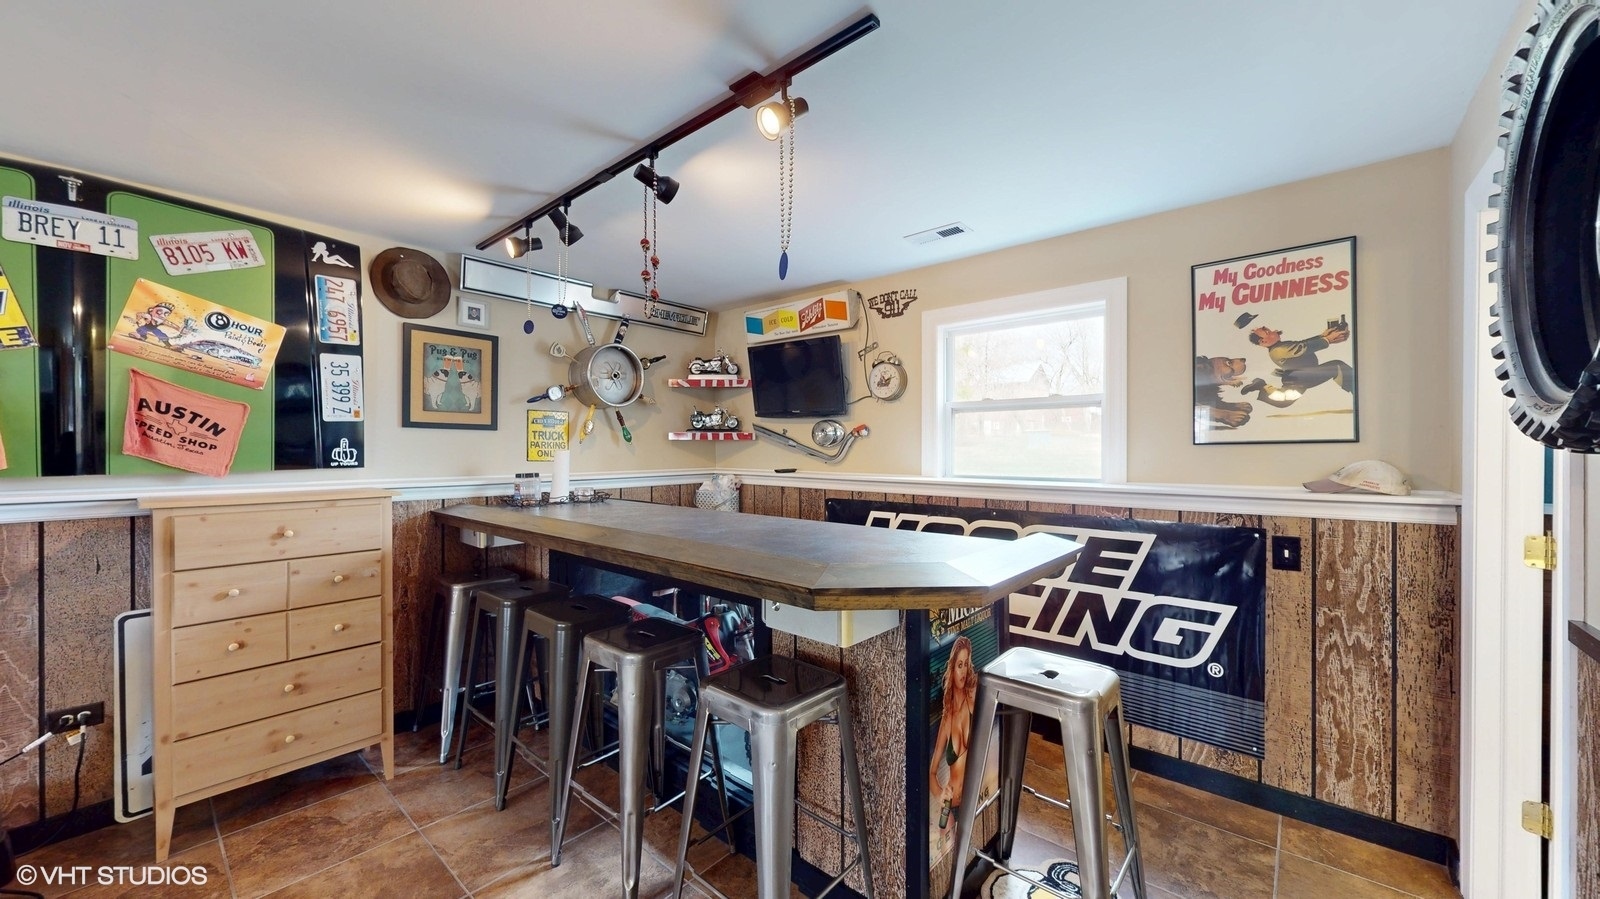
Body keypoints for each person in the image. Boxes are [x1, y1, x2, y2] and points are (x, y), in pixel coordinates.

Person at [929, 635, 977, 843]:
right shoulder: (947, 719)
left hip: (972, 800)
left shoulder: (973, 698)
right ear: (952, 668)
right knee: (948, 862)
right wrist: (940, 793)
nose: (964, 671)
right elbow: (931, 772)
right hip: (949, 807)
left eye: (966, 664)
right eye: (959, 665)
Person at [1247, 321, 1354, 397]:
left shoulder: (1280, 346)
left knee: (1283, 399)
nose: (1274, 331)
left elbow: (1301, 343)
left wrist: (1323, 336)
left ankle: (1262, 386)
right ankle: (1357, 390)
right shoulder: (1278, 350)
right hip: (1301, 377)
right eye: (1268, 333)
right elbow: (1303, 347)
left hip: (1301, 377)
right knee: (1337, 366)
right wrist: (1327, 339)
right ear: (1263, 342)